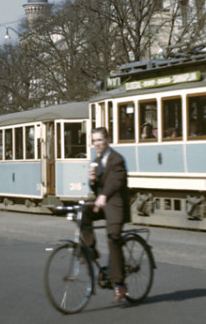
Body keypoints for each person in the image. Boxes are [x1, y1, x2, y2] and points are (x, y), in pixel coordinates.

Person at [81, 127, 131, 304]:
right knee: (83, 213)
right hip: (103, 204)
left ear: (107, 140)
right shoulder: (97, 161)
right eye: (94, 141)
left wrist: (104, 195)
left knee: (113, 238)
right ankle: (91, 249)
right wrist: (92, 181)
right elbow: (97, 188)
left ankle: (119, 284)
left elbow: (116, 182)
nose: (96, 144)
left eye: (100, 140)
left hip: (116, 205)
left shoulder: (117, 159)